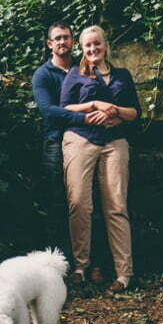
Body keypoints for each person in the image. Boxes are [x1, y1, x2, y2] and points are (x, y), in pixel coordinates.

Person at [31, 22, 116, 282]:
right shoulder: (43, 75)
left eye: (66, 38)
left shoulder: (87, 69)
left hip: (89, 139)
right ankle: (59, 267)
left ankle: (95, 264)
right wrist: (85, 118)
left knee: (97, 203)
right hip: (56, 142)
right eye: (56, 39)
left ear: (73, 41)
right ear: (49, 44)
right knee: (62, 203)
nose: (62, 42)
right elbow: (49, 111)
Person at [60, 25, 141, 291]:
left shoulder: (122, 76)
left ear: (105, 45)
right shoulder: (75, 74)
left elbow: (134, 113)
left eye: (97, 44)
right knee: (80, 204)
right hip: (80, 139)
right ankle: (80, 267)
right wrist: (94, 104)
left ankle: (124, 274)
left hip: (114, 141)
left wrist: (114, 110)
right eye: (87, 46)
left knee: (116, 206)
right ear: (81, 49)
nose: (93, 49)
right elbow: (65, 108)